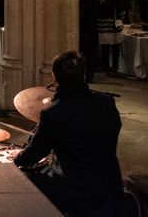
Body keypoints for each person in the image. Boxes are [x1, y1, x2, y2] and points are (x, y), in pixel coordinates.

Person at [14, 50, 124, 216]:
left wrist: (15, 160)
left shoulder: (54, 113)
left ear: (54, 77)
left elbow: (33, 154)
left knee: (22, 183)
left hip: (75, 190)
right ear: (84, 74)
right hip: (109, 184)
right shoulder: (107, 102)